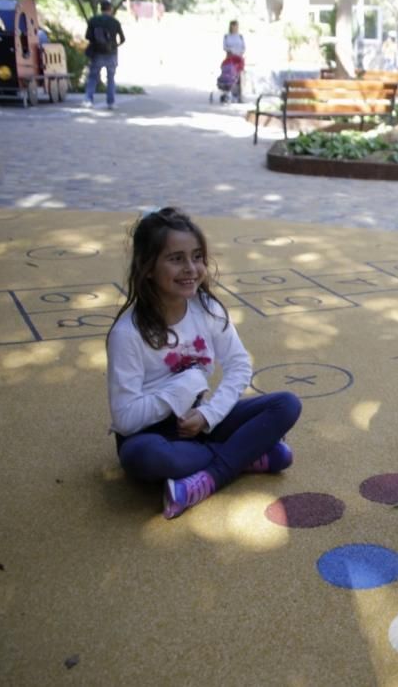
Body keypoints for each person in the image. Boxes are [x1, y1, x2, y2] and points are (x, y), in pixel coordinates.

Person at [106, 207, 302, 520]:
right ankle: (244, 455)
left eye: (197, 256)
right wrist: (186, 385)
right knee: (145, 458)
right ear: (147, 267)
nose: (191, 268)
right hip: (151, 434)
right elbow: (126, 419)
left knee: (286, 404)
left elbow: (239, 366)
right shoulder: (127, 333)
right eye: (176, 258)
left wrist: (208, 415)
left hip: (201, 422)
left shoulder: (207, 309)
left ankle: (208, 479)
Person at [84, 0, 125, 110]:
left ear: (100, 8)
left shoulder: (93, 21)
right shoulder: (115, 22)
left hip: (97, 53)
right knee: (111, 78)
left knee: (92, 77)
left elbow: (87, 36)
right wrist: (114, 45)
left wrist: (96, 42)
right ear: (110, 9)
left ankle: (88, 100)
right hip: (111, 54)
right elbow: (123, 39)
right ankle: (110, 102)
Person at [221, 20, 246, 102]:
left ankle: (238, 95)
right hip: (230, 58)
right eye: (233, 26)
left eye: (236, 26)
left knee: (239, 77)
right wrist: (230, 51)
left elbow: (243, 47)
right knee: (229, 75)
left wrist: (240, 53)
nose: (235, 28)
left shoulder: (240, 37)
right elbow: (224, 47)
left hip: (239, 58)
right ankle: (227, 93)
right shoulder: (227, 36)